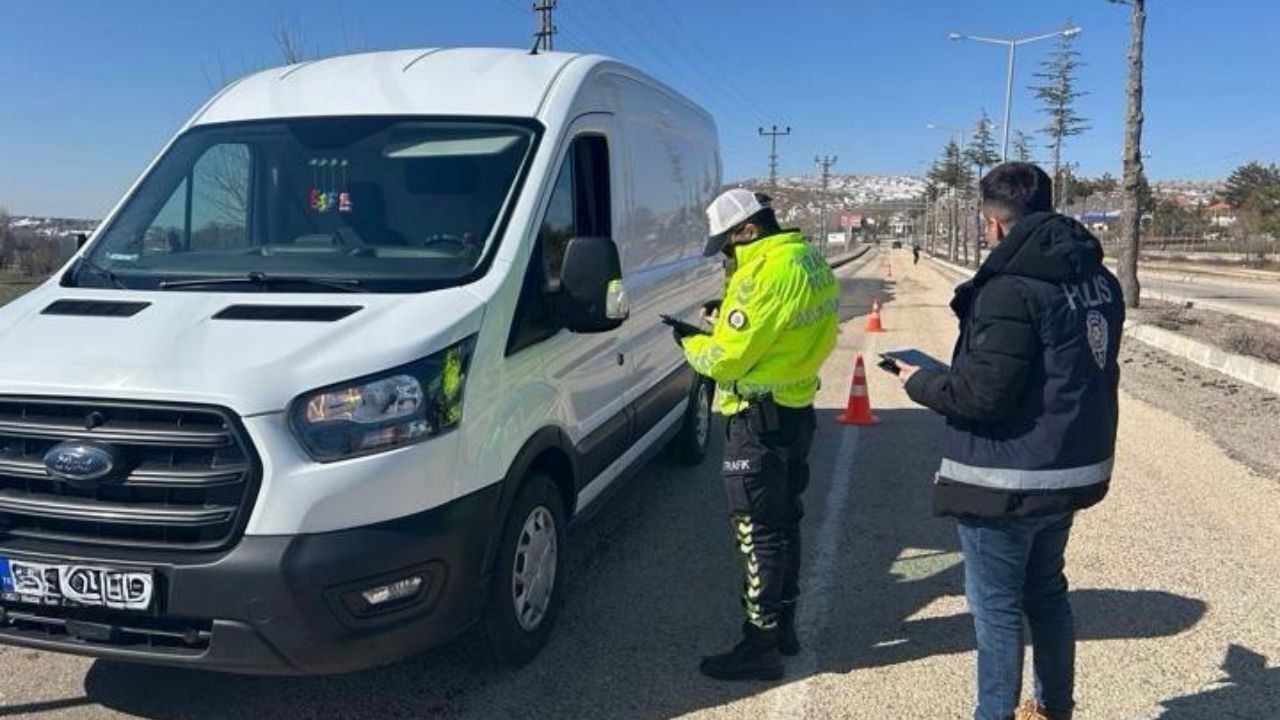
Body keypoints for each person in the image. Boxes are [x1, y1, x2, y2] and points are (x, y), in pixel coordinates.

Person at [895, 163, 1124, 720]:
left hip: (1007, 481)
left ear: (992, 223)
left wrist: (917, 381)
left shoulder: (1007, 290)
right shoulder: (1098, 278)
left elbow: (981, 396)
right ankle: (1053, 710)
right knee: (1046, 594)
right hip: (1069, 469)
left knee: (995, 611)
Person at [674, 188, 838, 681]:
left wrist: (691, 342)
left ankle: (759, 645)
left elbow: (726, 358)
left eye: (727, 244)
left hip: (756, 421)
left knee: (755, 534)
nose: (727, 255)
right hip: (795, 409)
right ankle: (784, 625)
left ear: (747, 230)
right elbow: (784, 330)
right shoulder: (810, 260)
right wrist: (724, 318)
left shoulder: (762, 275)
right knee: (785, 524)